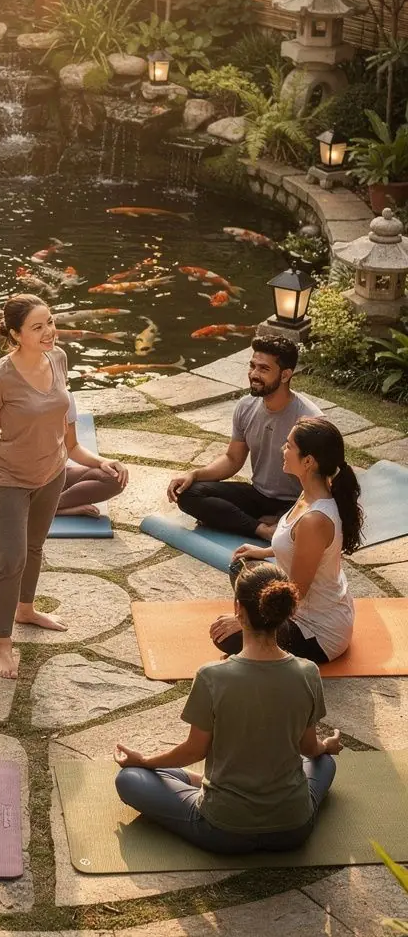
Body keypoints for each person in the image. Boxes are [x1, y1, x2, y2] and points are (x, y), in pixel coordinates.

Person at [114, 562, 341, 854]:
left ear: (238, 610)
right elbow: (309, 748)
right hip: (293, 827)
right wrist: (326, 745)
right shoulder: (308, 672)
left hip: (222, 828)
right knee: (325, 762)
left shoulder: (212, 676)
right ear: (288, 610)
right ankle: (201, 782)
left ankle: (200, 784)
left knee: (130, 779)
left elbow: (194, 751)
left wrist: (145, 761)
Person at [0, 295, 126, 680]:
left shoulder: (58, 358)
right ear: (15, 334)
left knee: (35, 546)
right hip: (7, 479)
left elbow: (64, 424)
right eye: (37, 327)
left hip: (52, 472)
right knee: (11, 560)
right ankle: (3, 645)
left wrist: (96, 460)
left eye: (50, 322)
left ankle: (25, 609)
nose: (49, 332)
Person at [210, 416, 363, 663]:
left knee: (224, 637)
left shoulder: (315, 520)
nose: (283, 449)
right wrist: (263, 552)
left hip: (316, 632)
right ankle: (256, 638)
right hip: (301, 610)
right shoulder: (310, 493)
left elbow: (295, 593)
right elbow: (296, 545)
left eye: (289, 445)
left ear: (308, 461)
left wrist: (245, 622)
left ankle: (259, 645)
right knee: (242, 566)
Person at [167, 335, 321, 542]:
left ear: (285, 375)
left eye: (264, 369)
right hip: (258, 495)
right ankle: (262, 529)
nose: (254, 374)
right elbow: (232, 459)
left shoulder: (310, 420)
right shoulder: (246, 406)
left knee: (309, 522)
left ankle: (266, 523)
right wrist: (194, 474)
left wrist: (288, 515)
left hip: (296, 502)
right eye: (252, 366)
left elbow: (324, 486)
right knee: (188, 494)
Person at [0, 391, 129, 521]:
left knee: (115, 478)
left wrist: (102, 462)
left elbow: (72, 447)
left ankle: (50, 508)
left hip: (51, 478)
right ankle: (59, 510)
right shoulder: (9, 395)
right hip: (9, 479)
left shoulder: (65, 398)